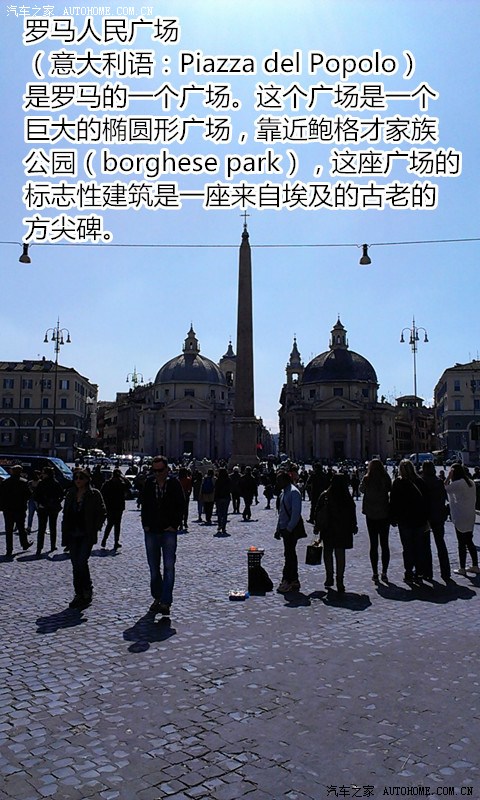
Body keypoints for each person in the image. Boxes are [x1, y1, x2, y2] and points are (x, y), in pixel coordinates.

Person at [141, 456, 185, 616]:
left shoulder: (174, 484)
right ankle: (157, 597)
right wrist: (145, 524)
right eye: (154, 470)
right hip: (151, 530)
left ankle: (165, 602)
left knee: (169, 567)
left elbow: (181, 504)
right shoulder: (149, 483)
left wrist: (174, 524)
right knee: (153, 568)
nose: (157, 473)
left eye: (160, 470)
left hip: (168, 531)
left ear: (167, 469)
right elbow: (144, 504)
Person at [62, 469, 106, 608]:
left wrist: (95, 527)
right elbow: (66, 513)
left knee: (81, 561)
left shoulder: (94, 494)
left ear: (87, 479)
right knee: (75, 564)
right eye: (76, 478)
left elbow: (102, 511)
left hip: (86, 533)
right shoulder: (71, 493)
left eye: (81, 478)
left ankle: (87, 589)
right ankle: (79, 593)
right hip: (72, 533)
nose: (78, 480)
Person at [389, 459, 431, 585]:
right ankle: (419, 572)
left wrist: (393, 518)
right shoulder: (420, 481)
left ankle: (408, 572)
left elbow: (393, 502)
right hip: (419, 519)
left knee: (407, 548)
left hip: (404, 520)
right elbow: (426, 501)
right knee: (419, 547)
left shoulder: (398, 483)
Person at [314, 473, 358, 593]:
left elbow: (317, 511)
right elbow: (352, 513)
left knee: (327, 553)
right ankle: (340, 580)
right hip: (342, 529)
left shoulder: (325, 495)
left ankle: (329, 577)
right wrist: (353, 526)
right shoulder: (346, 497)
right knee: (340, 555)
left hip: (328, 529)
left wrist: (317, 526)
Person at [360, 459, 392, 583]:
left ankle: (375, 573)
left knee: (373, 545)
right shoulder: (385, 478)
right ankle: (384, 572)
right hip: (384, 514)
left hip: (371, 515)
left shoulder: (367, 478)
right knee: (385, 544)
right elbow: (390, 488)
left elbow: (361, 490)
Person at [445, 463, 479, 576]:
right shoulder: (471, 482)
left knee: (461, 542)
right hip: (470, 515)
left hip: (460, 515)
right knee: (469, 541)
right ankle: (475, 565)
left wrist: (448, 477)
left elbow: (445, 487)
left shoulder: (457, 484)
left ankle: (462, 567)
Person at [421, 461, 452, 583]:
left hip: (425, 517)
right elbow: (443, 497)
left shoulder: (422, 482)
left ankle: (427, 572)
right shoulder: (438, 481)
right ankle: (446, 571)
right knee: (441, 544)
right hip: (438, 515)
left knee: (425, 546)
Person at [275, 469, 304, 593]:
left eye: (279, 480)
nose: (277, 483)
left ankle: (288, 579)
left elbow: (296, 513)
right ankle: (293, 579)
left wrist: (289, 528)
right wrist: (278, 529)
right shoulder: (283, 493)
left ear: (285, 480)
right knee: (289, 554)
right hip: (284, 528)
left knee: (290, 555)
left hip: (290, 529)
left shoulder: (294, 492)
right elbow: (281, 512)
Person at [0, 464, 32, 555]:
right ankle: (24, 544)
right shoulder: (24, 482)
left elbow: (1, 495)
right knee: (21, 527)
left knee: (8, 529)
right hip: (20, 508)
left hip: (8, 509)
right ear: (20, 472)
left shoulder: (6, 482)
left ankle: (9, 549)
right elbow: (29, 495)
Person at [34, 467, 64, 556]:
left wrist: (40, 503)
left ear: (47, 474)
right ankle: (52, 545)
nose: (42, 474)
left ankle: (39, 547)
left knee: (41, 528)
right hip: (53, 508)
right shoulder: (56, 483)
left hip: (43, 508)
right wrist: (56, 502)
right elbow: (61, 495)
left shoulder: (41, 483)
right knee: (53, 527)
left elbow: (36, 496)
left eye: (43, 473)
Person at [101, 469, 129, 549]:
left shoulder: (109, 483)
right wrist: (123, 477)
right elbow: (129, 485)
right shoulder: (120, 483)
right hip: (115, 507)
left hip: (113, 507)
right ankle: (112, 541)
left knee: (112, 524)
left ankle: (107, 540)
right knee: (115, 525)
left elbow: (102, 494)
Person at [214, 467, 231, 534]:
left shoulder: (218, 480)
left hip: (219, 497)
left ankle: (219, 524)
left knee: (219, 512)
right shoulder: (228, 480)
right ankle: (224, 527)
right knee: (225, 513)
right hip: (226, 497)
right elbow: (230, 488)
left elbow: (216, 489)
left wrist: (215, 498)